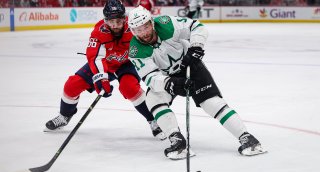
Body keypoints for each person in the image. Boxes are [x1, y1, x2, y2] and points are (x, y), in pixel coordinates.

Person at [128, 6, 266, 159]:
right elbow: (150, 77)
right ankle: (177, 140)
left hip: (191, 66)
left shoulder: (166, 24)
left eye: (146, 26)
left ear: (151, 23)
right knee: (153, 99)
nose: (144, 32)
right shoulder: (135, 50)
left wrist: (196, 47)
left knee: (211, 103)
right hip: (167, 77)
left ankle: (247, 138)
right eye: (138, 30)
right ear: (133, 31)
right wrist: (170, 83)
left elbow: (196, 26)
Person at [45, 0, 166, 141]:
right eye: (111, 21)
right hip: (106, 65)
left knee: (130, 88)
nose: (115, 25)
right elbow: (95, 57)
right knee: (72, 84)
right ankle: (65, 115)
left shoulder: (134, 26)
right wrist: (101, 78)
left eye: (119, 21)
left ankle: (153, 120)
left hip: (127, 64)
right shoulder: (99, 31)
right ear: (105, 20)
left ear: (124, 18)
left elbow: (149, 40)